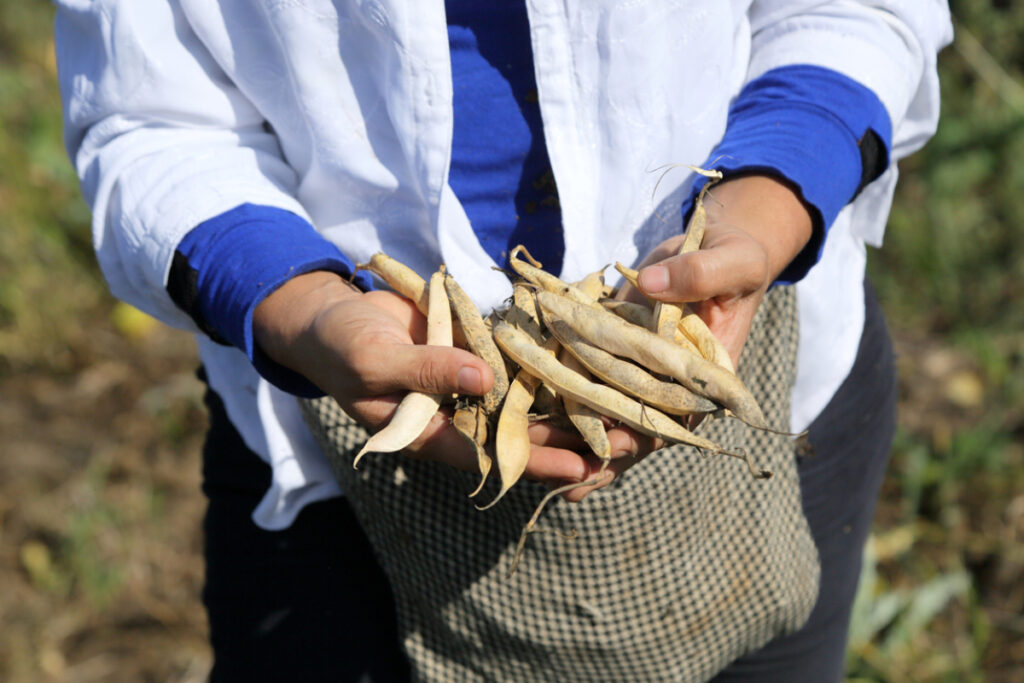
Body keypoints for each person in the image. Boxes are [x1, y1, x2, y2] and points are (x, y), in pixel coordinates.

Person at [55, 1, 952, 680]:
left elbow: (858, 10)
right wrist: (305, 308)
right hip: (340, 463)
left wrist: (773, 195)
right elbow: (149, 117)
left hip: (763, 374)